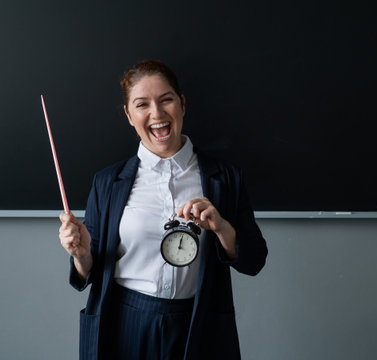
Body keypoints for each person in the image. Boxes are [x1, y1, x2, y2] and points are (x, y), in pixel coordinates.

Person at [59, 59, 268, 360]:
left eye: (166, 100)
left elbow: (255, 260)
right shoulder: (108, 182)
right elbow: (88, 271)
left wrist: (222, 226)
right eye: (142, 105)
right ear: (129, 115)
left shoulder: (224, 178)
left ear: (182, 104)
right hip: (125, 322)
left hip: (198, 322)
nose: (156, 114)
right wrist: (80, 254)